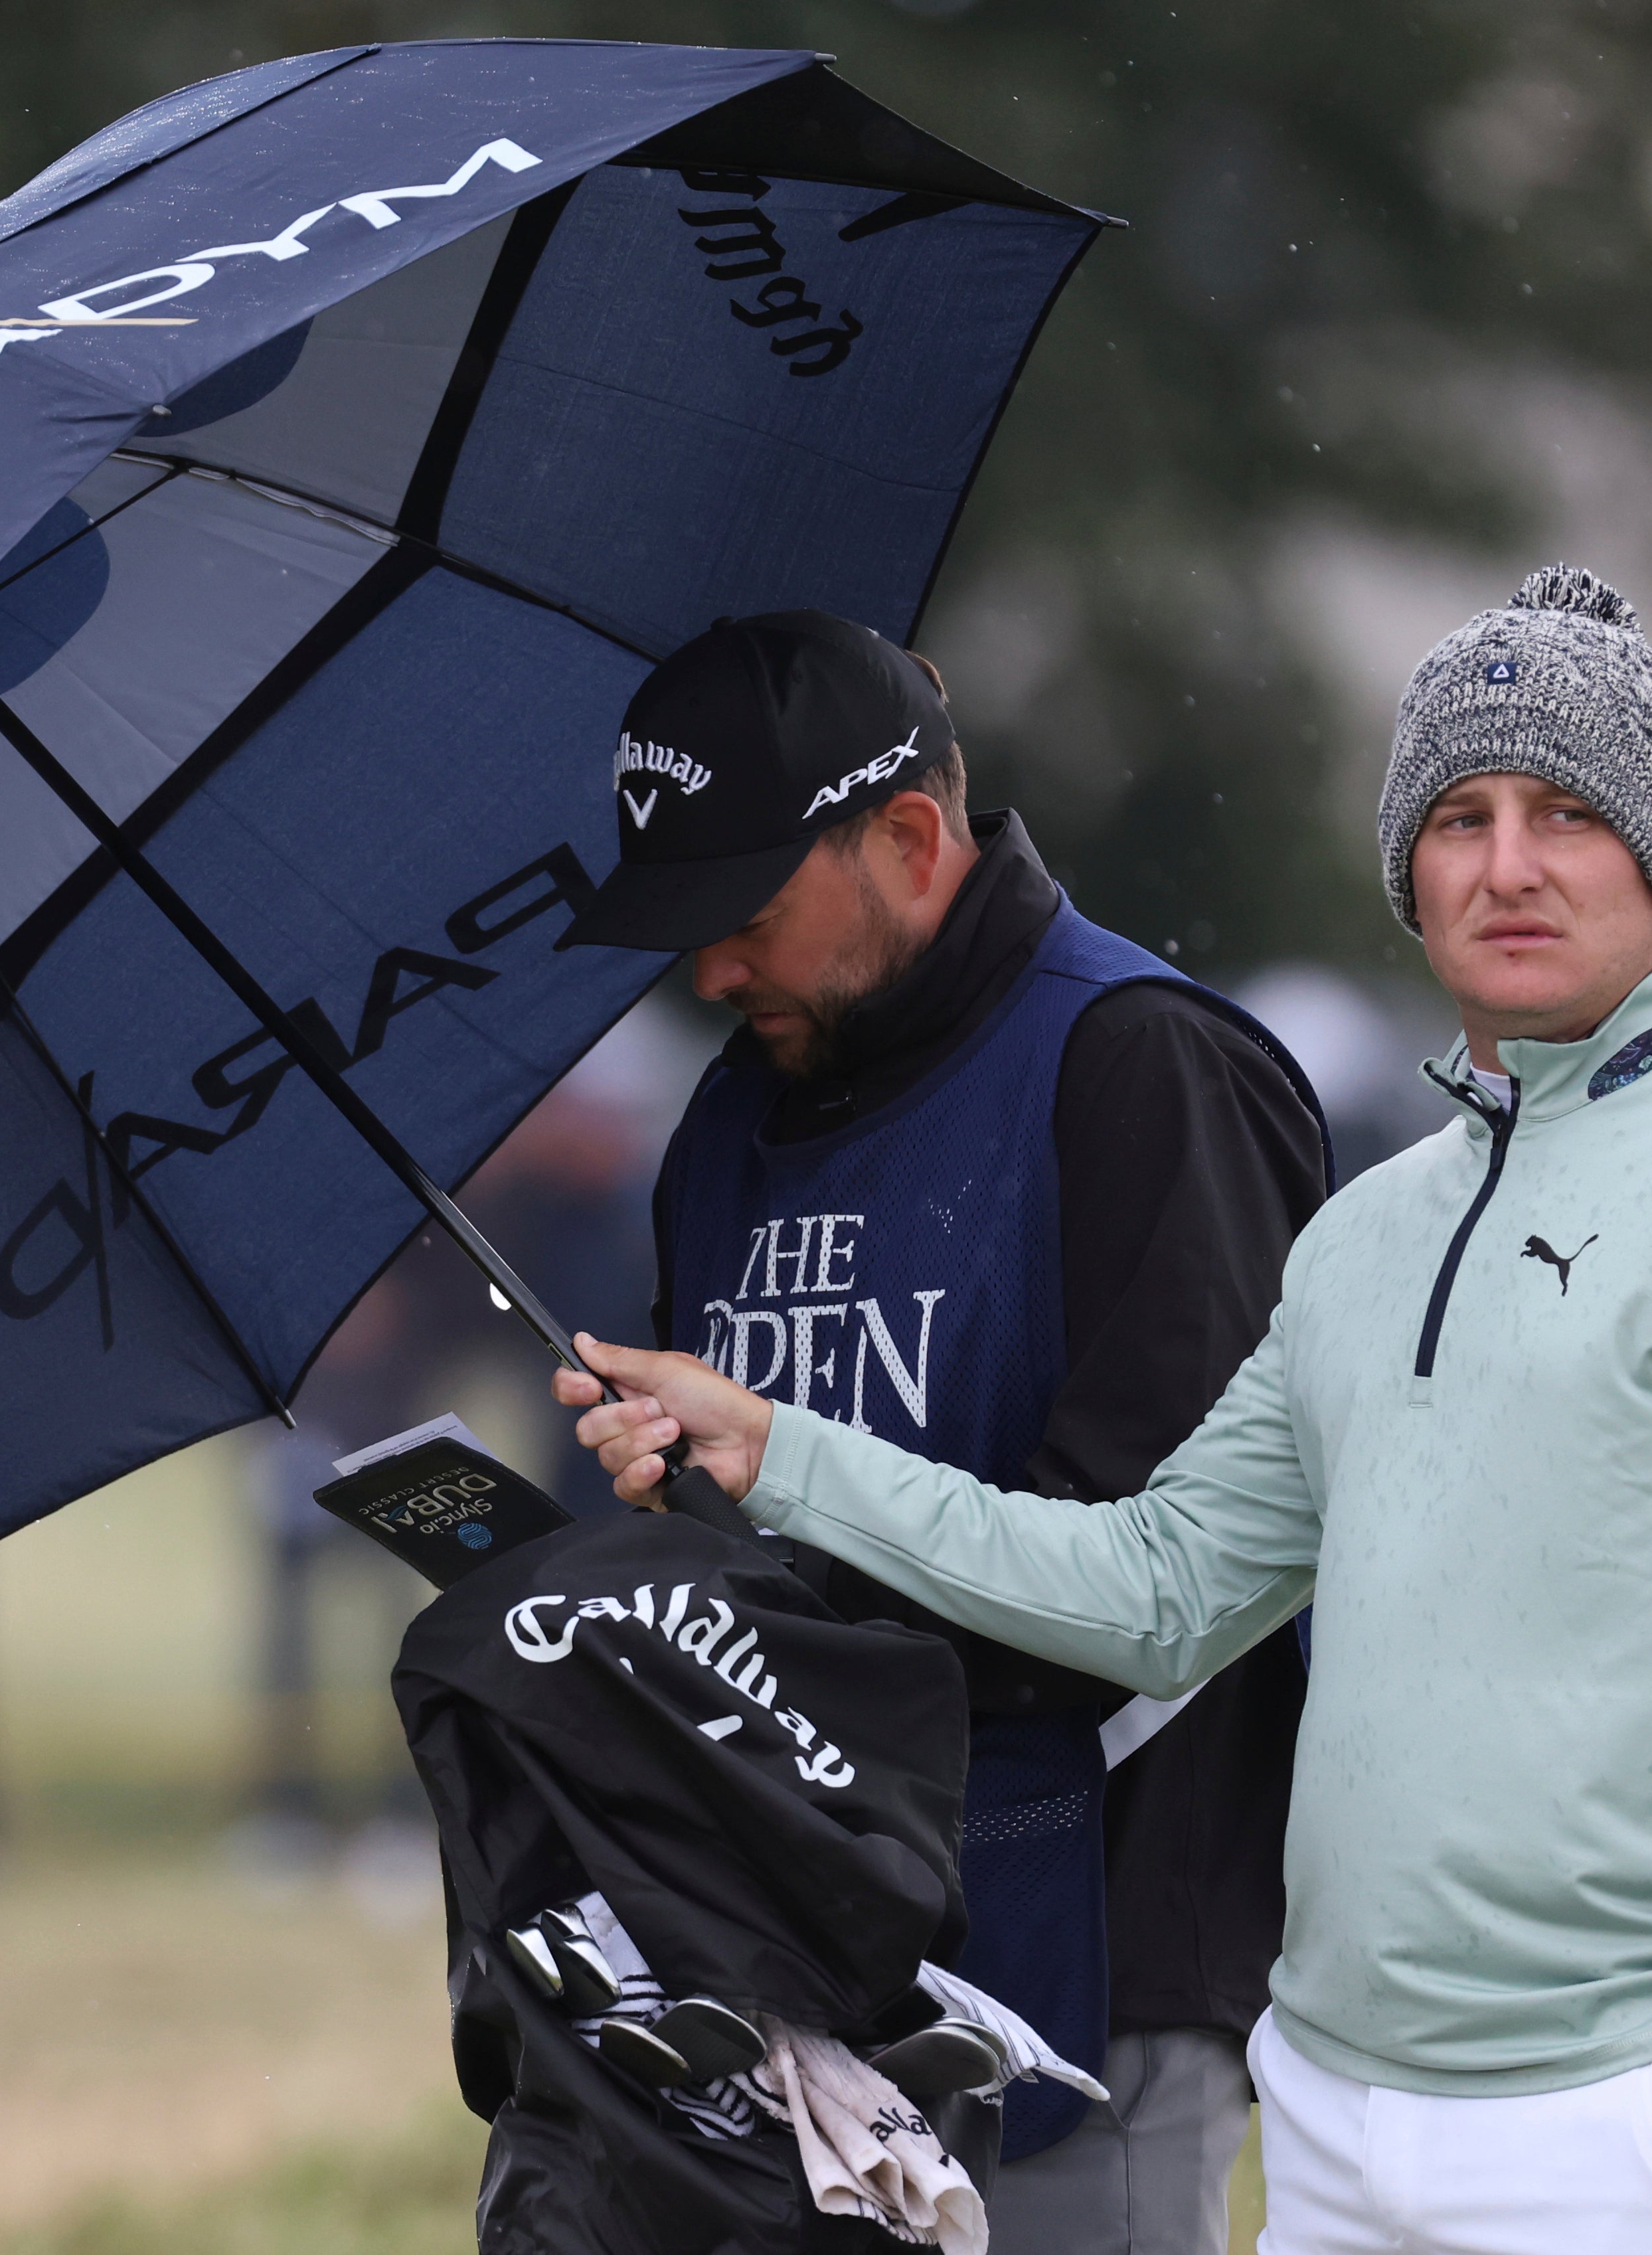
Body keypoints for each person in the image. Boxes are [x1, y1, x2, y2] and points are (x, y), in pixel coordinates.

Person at [558, 568, 1652, 2253]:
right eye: (1457, 815)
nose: (1505, 864)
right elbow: (1152, 1592)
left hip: (1636, 2115)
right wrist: (779, 1453)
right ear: (1406, 869)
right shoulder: (1369, 1232)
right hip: (1336, 2122)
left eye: (1565, 815)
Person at [554, 609, 1330, 2255]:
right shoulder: (727, 1120)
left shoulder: (1144, 1069)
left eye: (745, 914)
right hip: (779, 1974)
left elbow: (1151, 1600)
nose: (706, 973)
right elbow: (746, 1555)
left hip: (1079, 1984)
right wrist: (665, 1527)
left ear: (911, 839)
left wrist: (789, 1513)